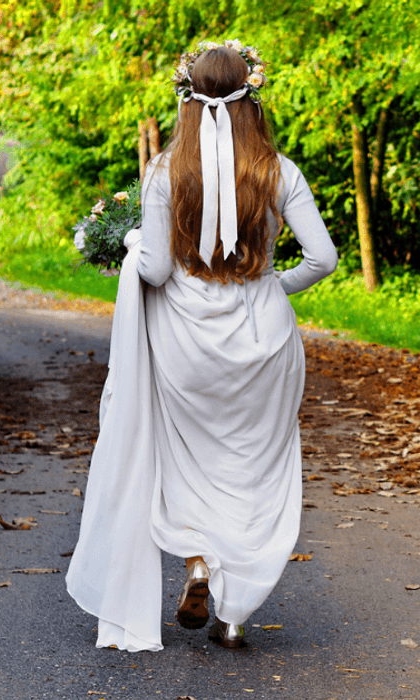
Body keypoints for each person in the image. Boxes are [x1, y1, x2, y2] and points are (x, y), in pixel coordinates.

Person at [66, 40, 337, 652]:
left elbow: (157, 270)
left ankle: (196, 563)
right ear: (252, 98)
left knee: (184, 460)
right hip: (264, 343)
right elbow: (323, 258)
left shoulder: (165, 171)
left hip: (187, 343)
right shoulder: (279, 171)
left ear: (187, 100)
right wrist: (271, 287)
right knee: (255, 472)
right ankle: (235, 613)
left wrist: (131, 244)